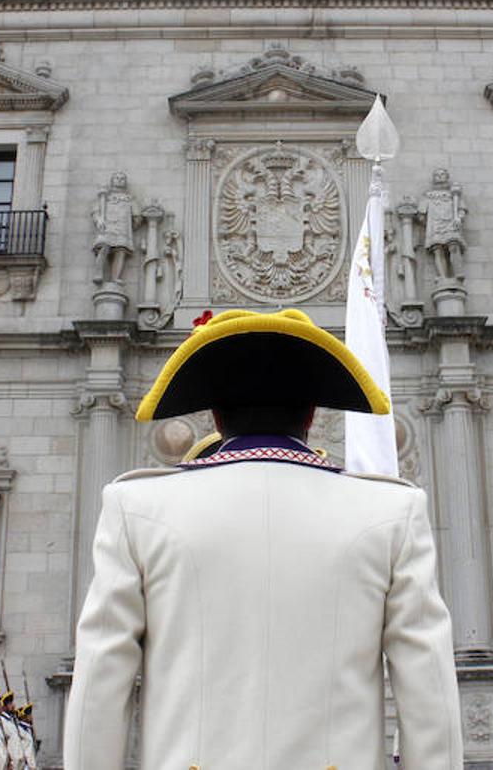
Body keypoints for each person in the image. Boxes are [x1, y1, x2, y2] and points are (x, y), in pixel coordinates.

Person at [64, 308, 463, 770]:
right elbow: (428, 694)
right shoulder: (391, 512)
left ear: (215, 416)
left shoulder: (136, 509)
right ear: (312, 413)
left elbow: (100, 688)